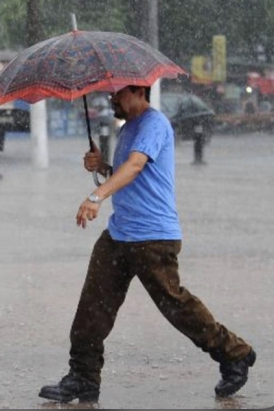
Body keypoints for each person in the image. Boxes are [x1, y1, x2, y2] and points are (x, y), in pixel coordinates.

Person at [39, 85, 256, 404]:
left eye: (118, 94)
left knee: (175, 305)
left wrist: (96, 196)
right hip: (119, 234)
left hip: (152, 236)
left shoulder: (154, 123)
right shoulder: (128, 129)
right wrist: (101, 166)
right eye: (112, 94)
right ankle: (83, 377)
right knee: (92, 307)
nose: (112, 99)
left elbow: (137, 166)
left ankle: (235, 353)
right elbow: (128, 174)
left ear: (139, 91)